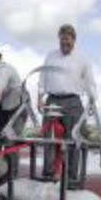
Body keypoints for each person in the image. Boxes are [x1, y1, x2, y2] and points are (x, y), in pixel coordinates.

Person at [37, 24, 97, 188]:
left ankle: (72, 178)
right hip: (52, 100)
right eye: (62, 39)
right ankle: (48, 175)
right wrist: (39, 97)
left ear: (74, 40)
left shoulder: (83, 59)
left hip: (73, 101)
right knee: (49, 139)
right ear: (59, 39)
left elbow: (90, 82)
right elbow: (43, 77)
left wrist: (92, 100)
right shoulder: (50, 56)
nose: (65, 43)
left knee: (73, 139)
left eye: (68, 40)